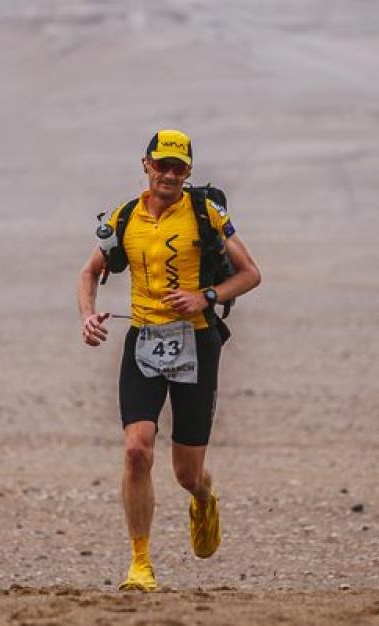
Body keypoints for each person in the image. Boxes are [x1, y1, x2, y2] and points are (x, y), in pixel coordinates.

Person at [76, 129, 262, 591]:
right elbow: (90, 272)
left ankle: (204, 498)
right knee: (137, 450)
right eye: (163, 165)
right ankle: (140, 565)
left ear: (189, 172)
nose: (170, 175)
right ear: (146, 165)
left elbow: (251, 273)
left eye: (179, 168)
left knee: (186, 472)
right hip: (142, 342)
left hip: (196, 345)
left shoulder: (206, 215)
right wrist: (87, 316)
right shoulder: (125, 217)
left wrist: (207, 296)